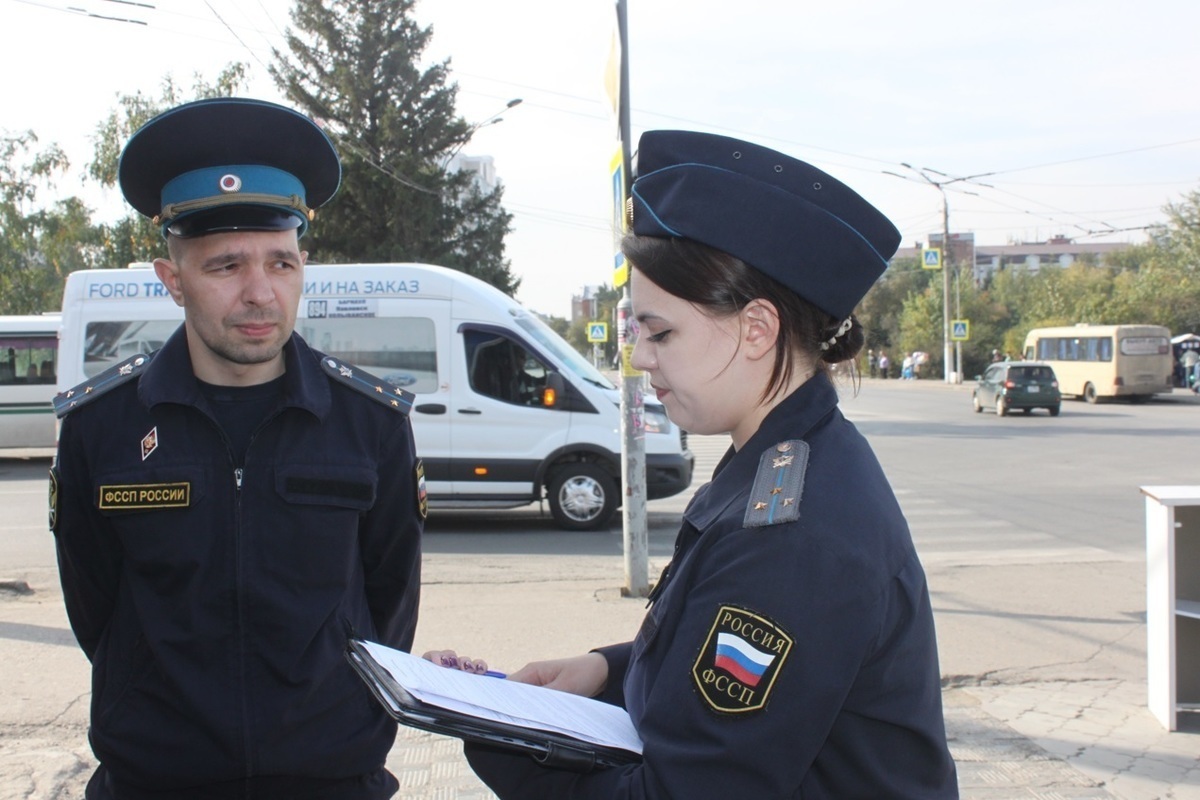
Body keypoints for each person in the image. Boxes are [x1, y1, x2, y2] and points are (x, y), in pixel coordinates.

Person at [451, 131, 958, 798]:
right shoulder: (785, 456)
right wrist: (604, 669)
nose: (638, 357)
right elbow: (726, 663)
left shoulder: (789, 536)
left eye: (660, 332)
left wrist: (499, 735)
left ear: (756, 329)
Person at [50, 98, 425, 799]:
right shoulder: (102, 427)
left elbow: (389, 607)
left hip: (332, 781)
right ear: (173, 281)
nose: (260, 294)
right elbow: (96, 609)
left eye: (280, 263)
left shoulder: (369, 422)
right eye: (225, 267)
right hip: (155, 783)